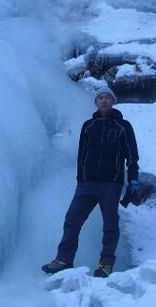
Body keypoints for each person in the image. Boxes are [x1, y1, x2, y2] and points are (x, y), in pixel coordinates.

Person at [42, 86, 140, 278]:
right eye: (100, 97)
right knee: (72, 220)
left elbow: (132, 155)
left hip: (111, 184)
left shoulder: (123, 126)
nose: (104, 100)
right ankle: (63, 260)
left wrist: (133, 179)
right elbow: (81, 155)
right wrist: (81, 179)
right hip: (86, 184)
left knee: (110, 224)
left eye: (107, 98)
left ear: (113, 101)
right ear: (96, 102)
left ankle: (105, 264)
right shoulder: (88, 126)